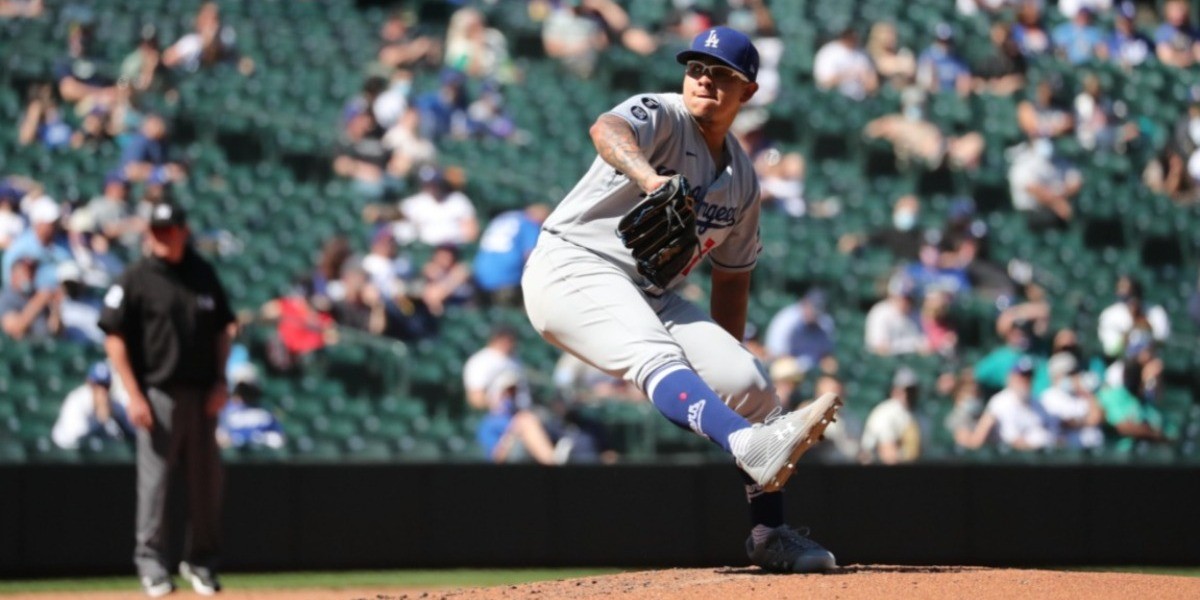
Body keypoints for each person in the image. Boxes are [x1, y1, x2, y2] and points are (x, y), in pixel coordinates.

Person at [520, 27, 841, 573]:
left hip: (647, 292)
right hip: (571, 265)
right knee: (654, 353)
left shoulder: (742, 183)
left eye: (722, 75)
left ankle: (769, 534)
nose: (705, 81)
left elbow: (732, 281)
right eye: (697, 69)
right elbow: (608, 127)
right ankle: (745, 442)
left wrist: (722, 368)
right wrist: (649, 180)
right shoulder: (664, 114)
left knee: (751, 384)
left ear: (749, 92)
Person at [99, 200, 235, 597]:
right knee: (155, 486)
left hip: (204, 396)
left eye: (167, 230)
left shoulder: (202, 273)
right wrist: (133, 393)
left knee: (208, 484)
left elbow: (224, 329)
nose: (160, 237)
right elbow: (114, 337)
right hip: (157, 394)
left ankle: (201, 562)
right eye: (155, 231)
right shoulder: (136, 277)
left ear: (182, 232)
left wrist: (222, 381)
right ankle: (152, 565)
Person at [959, 358, 1056, 451]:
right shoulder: (1000, 402)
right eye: (1022, 376)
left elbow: (1053, 432)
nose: (1025, 381)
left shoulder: (1037, 402)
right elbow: (1012, 441)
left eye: (1029, 376)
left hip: (1043, 459)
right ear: (1011, 377)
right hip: (1012, 460)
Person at [472, 204, 549, 306]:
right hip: (506, 282)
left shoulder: (504, 217)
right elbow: (530, 256)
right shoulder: (530, 223)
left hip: (478, 277)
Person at [51, 361, 133, 449]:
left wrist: (113, 419)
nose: (102, 390)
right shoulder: (76, 400)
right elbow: (78, 438)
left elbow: (131, 431)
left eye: (105, 385)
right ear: (89, 383)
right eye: (97, 385)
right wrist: (100, 420)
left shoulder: (113, 404)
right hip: (62, 450)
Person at [1097, 276, 1170, 362]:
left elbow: (1162, 340)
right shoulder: (1109, 314)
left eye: (1134, 294)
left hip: (1150, 362)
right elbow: (1111, 350)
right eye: (1127, 297)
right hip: (1121, 363)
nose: (1132, 301)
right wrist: (1132, 327)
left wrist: (1143, 322)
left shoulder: (1156, 312)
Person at [1039, 352, 1104, 449]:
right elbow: (1062, 423)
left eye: (1075, 373)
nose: (1074, 377)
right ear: (1056, 375)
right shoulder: (1048, 397)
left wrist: (1087, 393)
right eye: (1069, 373)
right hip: (1066, 453)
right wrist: (1084, 422)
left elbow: (1097, 418)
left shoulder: (1081, 394)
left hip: (1091, 453)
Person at [859, 367, 922, 464]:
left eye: (911, 391)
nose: (908, 395)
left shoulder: (916, 413)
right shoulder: (886, 412)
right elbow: (888, 454)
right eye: (904, 390)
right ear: (894, 390)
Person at [216, 364, 284, 450]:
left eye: (249, 387)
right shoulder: (224, 409)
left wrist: (263, 439)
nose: (245, 391)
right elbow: (220, 438)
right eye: (242, 388)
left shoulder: (267, 409)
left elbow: (279, 438)